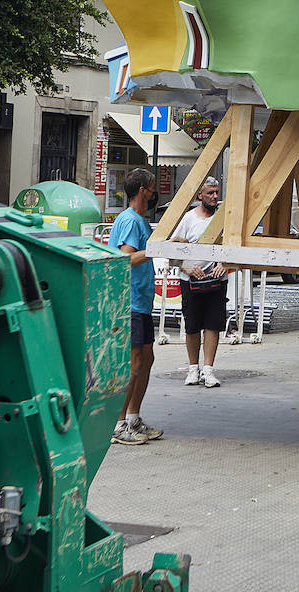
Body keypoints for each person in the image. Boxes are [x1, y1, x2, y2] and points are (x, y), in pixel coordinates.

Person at [108, 167, 163, 445]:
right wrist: (156, 250)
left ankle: (133, 418)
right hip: (128, 302)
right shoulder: (130, 221)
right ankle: (118, 425)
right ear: (143, 191)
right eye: (153, 189)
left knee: (146, 359)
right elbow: (124, 259)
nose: (155, 194)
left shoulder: (140, 221)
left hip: (140, 302)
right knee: (134, 362)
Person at [172, 176, 229, 388]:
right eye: (210, 193)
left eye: (217, 192)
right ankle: (193, 369)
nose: (215, 197)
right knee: (192, 325)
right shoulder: (188, 219)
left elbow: (232, 247)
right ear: (200, 196)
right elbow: (174, 249)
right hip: (191, 281)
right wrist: (187, 268)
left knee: (213, 325)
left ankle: (209, 370)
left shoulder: (223, 219)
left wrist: (225, 264)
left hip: (216, 281)